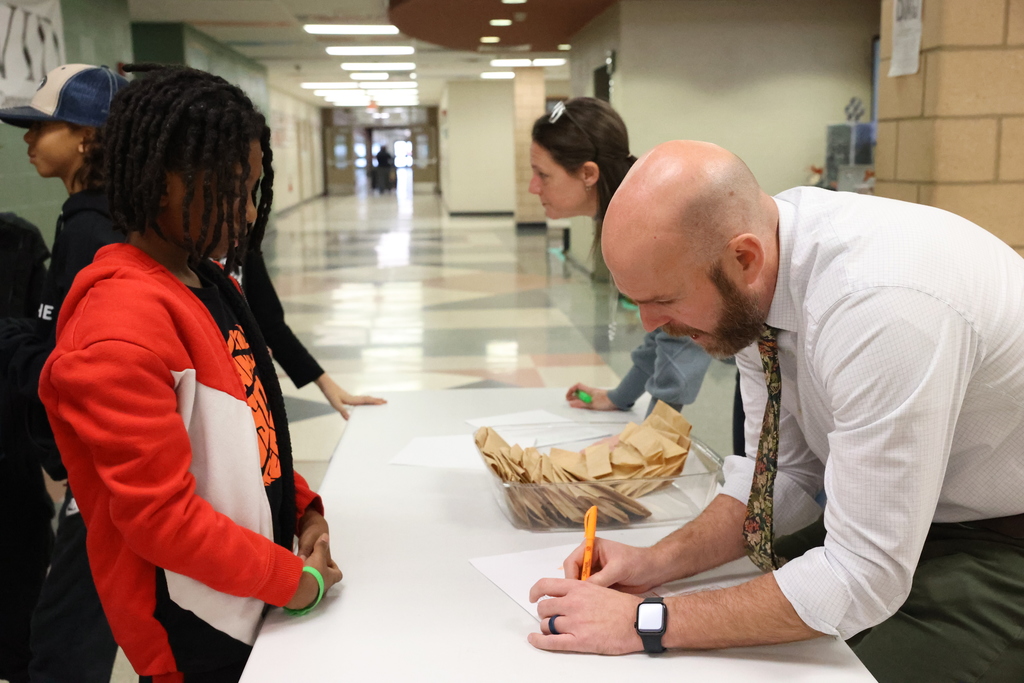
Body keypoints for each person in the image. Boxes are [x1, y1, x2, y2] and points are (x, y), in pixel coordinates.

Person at [527, 140, 1024, 683]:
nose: (648, 325)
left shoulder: (882, 309)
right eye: (636, 301)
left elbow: (863, 575)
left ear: (744, 259)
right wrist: (651, 565)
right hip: (918, 515)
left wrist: (645, 622)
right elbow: (781, 473)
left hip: (1000, 539)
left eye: (664, 299)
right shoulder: (754, 274)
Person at [38, 65, 343, 683]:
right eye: (232, 188)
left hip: (251, 592)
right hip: (194, 631)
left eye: (255, 188)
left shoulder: (208, 281)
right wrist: (296, 582)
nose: (250, 209)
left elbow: (247, 429)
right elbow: (160, 520)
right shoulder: (117, 327)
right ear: (157, 183)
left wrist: (302, 510)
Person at [0, 63, 128, 683]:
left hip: (102, 469)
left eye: (40, 125)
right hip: (111, 459)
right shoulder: (112, 212)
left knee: (63, 644)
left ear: (85, 135)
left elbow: (69, 362)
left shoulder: (86, 225)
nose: (27, 138)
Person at [528, 98, 711, 417]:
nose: (533, 187)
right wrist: (620, 397)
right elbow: (663, 330)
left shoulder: (651, 222)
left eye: (542, 175)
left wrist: (654, 438)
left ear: (588, 173)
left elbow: (683, 337)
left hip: (782, 360)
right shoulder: (627, 212)